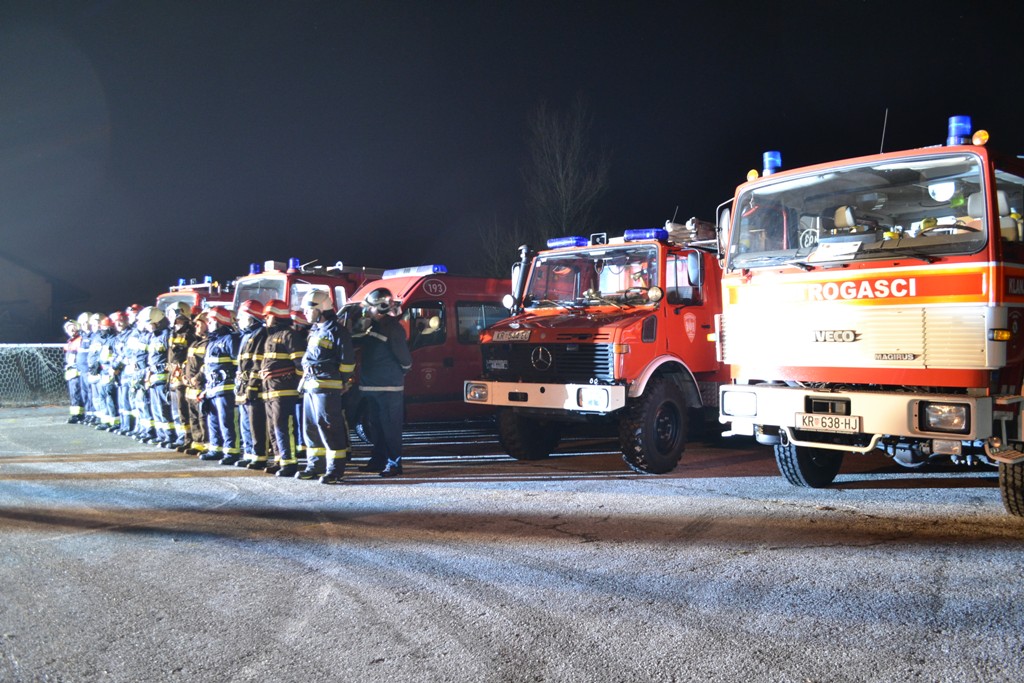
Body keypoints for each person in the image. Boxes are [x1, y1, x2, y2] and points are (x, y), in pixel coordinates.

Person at [352, 287, 412, 478]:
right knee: (376, 426)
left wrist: (399, 372)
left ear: (380, 307)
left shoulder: (393, 328)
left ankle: (394, 463)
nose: (366, 311)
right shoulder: (372, 327)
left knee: (390, 427)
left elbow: (405, 360)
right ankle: (378, 459)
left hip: (389, 387)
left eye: (369, 307)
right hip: (371, 386)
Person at [298, 290, 355, 484]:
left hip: (327, 385)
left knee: (329, 427)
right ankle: (315, 466)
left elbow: (347, 361)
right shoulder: (316, 330)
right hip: (310, 385)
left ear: (320, 309)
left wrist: (343, 381)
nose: (305, 313)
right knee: (311, 427)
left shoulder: (337, 331)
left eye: (308, 309)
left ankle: (334, 470)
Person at [259, 299, 303, 475]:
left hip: (284, 390)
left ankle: (289, 463)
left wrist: (297, 386)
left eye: (268, 315)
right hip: (270, 389)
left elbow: (300, 364)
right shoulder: (271, 337)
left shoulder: (289, 335)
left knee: (282, 425)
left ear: (276, 316)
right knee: (273, 427)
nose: (265, 319)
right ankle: (279, 459)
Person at [201, 306, 240, 463]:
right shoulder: (212, 341)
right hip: (212, 387)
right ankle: (215, 449)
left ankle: (231, 452)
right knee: (213, 420)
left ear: (219, 322)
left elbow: (238, 364)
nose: (208, 324)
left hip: (226, 387)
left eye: (211, 321)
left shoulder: (230, 339)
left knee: (227, 421)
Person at [234, 299, 268, 468]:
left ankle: (259, 456)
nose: (239, 319)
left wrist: (252, 385)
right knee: (245, 423)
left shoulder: (260, 334)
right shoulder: (246, 336)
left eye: (242, 316)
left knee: (256, 424)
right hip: (243, 385)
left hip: (254, 387)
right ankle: (249, 454)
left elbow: (257, 363)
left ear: (252, 317)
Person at [165, 303, 196, 451]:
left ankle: (190, 439)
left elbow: (190, 358)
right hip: (174, 377)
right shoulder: (173, 333)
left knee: (185, 410)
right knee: (178, 411)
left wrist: (182, 371)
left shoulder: (190, 334)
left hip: (183, 378)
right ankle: (183, 437)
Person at [144, 306, 175, 448]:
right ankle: (161, 435)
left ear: (157, 321)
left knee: (164, 408)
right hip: (153, 377)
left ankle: (170, 436)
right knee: (156, 409)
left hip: (163, 377)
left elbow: (171, 357)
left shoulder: (167, 335)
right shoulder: (153, 336)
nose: (147, 327)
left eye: (149, 323)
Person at [183, 311, 210, 457]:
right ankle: (197, 443)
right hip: (190, 387)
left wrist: (198, 377)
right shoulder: (195, 343)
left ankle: (207, 444)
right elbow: (188, 362)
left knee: (203, 417)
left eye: (199, 324)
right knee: (193, 417)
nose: (196, 327)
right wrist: (184, 375)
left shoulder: (209, 343)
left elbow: (208, 364)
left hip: (201, 386)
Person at [62, 319, 85, 424]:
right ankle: (76, 414)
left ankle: (78, 415)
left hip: (77, 372)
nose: (71, 330)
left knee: (77, 394)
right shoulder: (70, 341)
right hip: (71, 372)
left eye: (73, 328)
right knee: (73, 394)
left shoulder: (80, 340)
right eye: (69, 328)